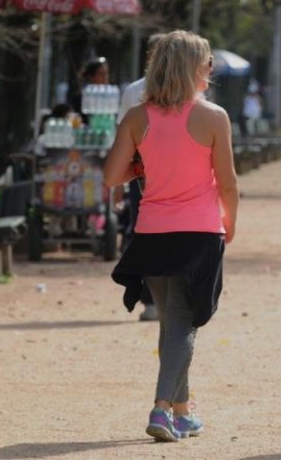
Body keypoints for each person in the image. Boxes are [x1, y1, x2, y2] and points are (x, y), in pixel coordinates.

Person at [105, 30, 239, 443]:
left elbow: (112, 176)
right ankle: (162, 409)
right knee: (182, 323)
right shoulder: (213, 116)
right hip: (198, 231)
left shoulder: (137, 118)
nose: (210, 71)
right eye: (207, 64)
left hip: (152, 232)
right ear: (194, 69)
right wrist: (230, 219)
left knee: (172, 321)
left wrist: (143, 168)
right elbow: (228, 181)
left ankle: (183, 411)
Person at [117, 33, 166, 322]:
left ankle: (169, 297)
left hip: (177, 175)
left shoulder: (191, 92)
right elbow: (123, 137)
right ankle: (150, 298)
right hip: (142, 176)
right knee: (144, 233)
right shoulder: (134, 91)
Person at [71, 57, 109, 123]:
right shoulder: (80, 98)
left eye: (106, 74)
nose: (105, 78)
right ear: (91, 77)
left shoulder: (110, 97)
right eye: (101, 74)